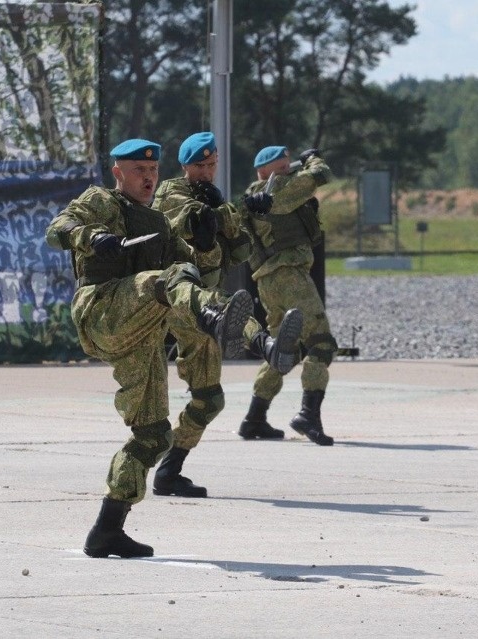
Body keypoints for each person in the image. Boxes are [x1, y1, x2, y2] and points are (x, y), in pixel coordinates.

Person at [45, 138, 255, 558]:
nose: (148, 177)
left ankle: (108, 528)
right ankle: (223, 324)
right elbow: (57, 229)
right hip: (102, 309)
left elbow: (198, 277)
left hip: (141, 328)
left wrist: (208, 244)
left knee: (153, 435)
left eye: (154, 171)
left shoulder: (158, 222)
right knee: (165, 279)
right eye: (139, 171)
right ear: (118, 172)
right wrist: (94, 237)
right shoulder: (103, 202)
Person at [149, 131, 303, 498]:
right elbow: (184, 220)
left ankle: (169, 472)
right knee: (222, 303)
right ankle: (267, 346)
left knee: (209, 399)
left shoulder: (216, 200)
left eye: (211, 164)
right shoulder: (171, 193)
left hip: (205, 306)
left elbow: (238, 252)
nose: (206, 171)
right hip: (176, 297)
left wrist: (239, 213)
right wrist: (213, 215)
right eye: (199, 166)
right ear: (185, 166)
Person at [238, 145, 337, 446]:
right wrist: (312, 158)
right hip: (290, 274)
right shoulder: (278, 189)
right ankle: (309, 414)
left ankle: (255, 417)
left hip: (268, 282)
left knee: (285, 350)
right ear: (264, 172)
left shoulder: (252, 198)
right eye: (281, 168)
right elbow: (320, 174)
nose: (287, 173)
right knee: (320, 342)